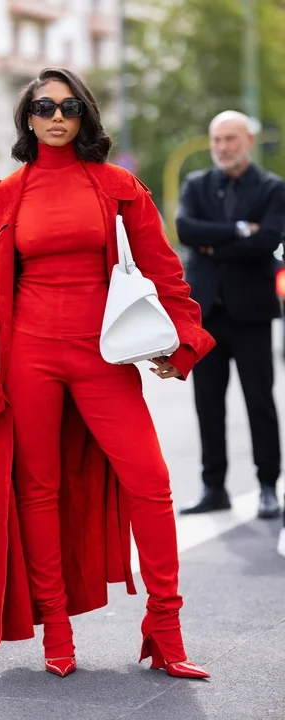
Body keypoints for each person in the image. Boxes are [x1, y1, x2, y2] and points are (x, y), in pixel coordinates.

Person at [0, 67, 214, 679]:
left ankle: (166, 629)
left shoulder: (117, 184)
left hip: (102, 357)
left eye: (69, 106)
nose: (57, 116)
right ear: (27, 118)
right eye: (43, 107)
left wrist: (183, 344)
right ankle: (58, 632)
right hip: (30, 359)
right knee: (37, 491)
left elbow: (164, 269)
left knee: (150, 482)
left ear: (85, 113)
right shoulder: (5, 194)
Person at [176, 111, 284, 519]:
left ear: (248, 141)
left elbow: (269, 240)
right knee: (207, 404)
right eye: (217, 140)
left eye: (231, 139)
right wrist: (242, 230)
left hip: (252, 314)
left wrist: (215, 243)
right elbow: (186, 229)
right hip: (205, 315)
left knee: (260, 403)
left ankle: (269, 487)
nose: (223, 147)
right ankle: (213, 486)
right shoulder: (196, 184)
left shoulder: (273, 189)